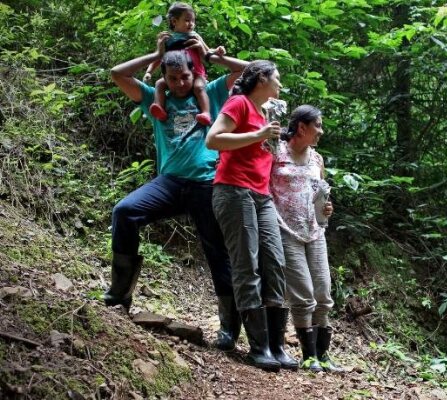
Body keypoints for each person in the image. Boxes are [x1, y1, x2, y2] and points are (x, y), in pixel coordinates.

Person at [104, 32, 249, 352]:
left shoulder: (208, 91)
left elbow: (252, 70)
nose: (180, 83)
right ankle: (119, 295)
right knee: (125, 212)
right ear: (164, 77)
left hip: (206, 182)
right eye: (172, 78)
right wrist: (155, 54)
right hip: (169, 182)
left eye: (184, 76)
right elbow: (117, 74)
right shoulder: (155, 98)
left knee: (217, 251)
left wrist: (212, 55)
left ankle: (228, 328)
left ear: (192, 73)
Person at [205, 60, 297, 372]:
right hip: (233, 190)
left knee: (275, 261)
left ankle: (277, 345)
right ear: (261, 79)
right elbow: (213, 139)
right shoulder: (240, 103)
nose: (280, 86)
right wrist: (258, 134)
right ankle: (259, 347)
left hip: (261, 195)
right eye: (277, 79)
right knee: (247, 264)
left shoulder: (266, 114)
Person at [270, 105, 342, 372]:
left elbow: (320, 193)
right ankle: (308, 355)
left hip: (315, 231)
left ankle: (323, 356)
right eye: (318, 126)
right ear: (301, 127)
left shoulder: (317, 159)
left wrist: (327, 208)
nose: (321, 132)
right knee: (302, 296)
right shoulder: (275, 152)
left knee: (323, 294)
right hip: (286, 230)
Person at [142, 2, 223, 126]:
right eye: (187, 20)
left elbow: (207, 51)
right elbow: (158, 57)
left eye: (193, 21)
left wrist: (217, 51)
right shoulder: (167, 39)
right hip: (173, 76)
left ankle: (206, 113)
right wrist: (149, 72)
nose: (191, 24)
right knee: (159, 84)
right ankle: (159, 107)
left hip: (195, 74)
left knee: (199, 88)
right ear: (174, 21)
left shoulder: (195, 36)